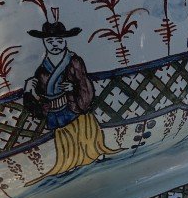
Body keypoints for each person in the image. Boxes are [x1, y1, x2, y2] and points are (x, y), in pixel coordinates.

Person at [22, 14, 118, 182]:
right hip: (55, 108)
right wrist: (28, 91)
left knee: (84, 132)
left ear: (65, 41)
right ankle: (71, 161)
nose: (55, 45)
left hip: (74, 104)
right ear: (44, 43)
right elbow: (40, 94)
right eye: (50, 41)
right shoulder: (42, 70)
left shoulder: (74, 60)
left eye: (59, 41)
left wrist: (73, 88)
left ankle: (93, 153)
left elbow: (83, 81)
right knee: (66, 138)